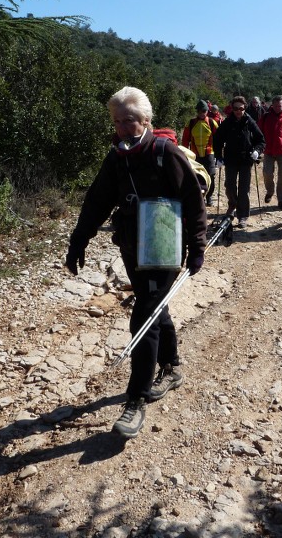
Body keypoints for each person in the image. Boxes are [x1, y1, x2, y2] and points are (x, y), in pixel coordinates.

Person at [65, 86, 207, 439]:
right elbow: (97, 199)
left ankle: (136, 398)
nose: (123, 128)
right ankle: (171, 368)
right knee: (156, 309)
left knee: (143, 316)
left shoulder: (166, 153)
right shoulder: (116, 157)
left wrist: (198, 246)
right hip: (133, 246)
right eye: (117, 121)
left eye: (129, 120)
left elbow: (192, 199)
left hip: (165, 246)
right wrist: (78, 240)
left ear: (146, 120)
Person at [213, 95, 265, 229]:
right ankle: (232, 205)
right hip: (230, 159)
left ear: (244, 108)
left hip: (245, 160)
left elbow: (261, 139)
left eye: (240, 108)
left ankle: (243, 216)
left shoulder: (250, 121)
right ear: (232, 108)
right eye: (235, 108)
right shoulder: (227, 122)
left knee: (244, 189)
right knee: (229, 186)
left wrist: (257, 151)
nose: (238, 111)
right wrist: (218, 157)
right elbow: (217, 139)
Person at [257, 94, 282, 209]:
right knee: (267, 173)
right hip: (268, 150)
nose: (278, 107)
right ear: (272, 105)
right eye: (275, 106)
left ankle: (281, 199)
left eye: (280, 105)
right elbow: (258, 131)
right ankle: (270, 191)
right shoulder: (266, 117)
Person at [182, 99, 218, 207]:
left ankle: (209, 196)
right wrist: (184, 153)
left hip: (209, 153)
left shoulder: (212, 122)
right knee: (196, 175)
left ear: (207, 111)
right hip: (195, 154)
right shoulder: (191, 123)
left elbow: (218, 138)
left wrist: (220, 153)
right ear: (197, 111)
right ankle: (199, 196)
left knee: (211, 175)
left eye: (204, 111)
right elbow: (185, 139)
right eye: (199, 111)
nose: (202, 113)